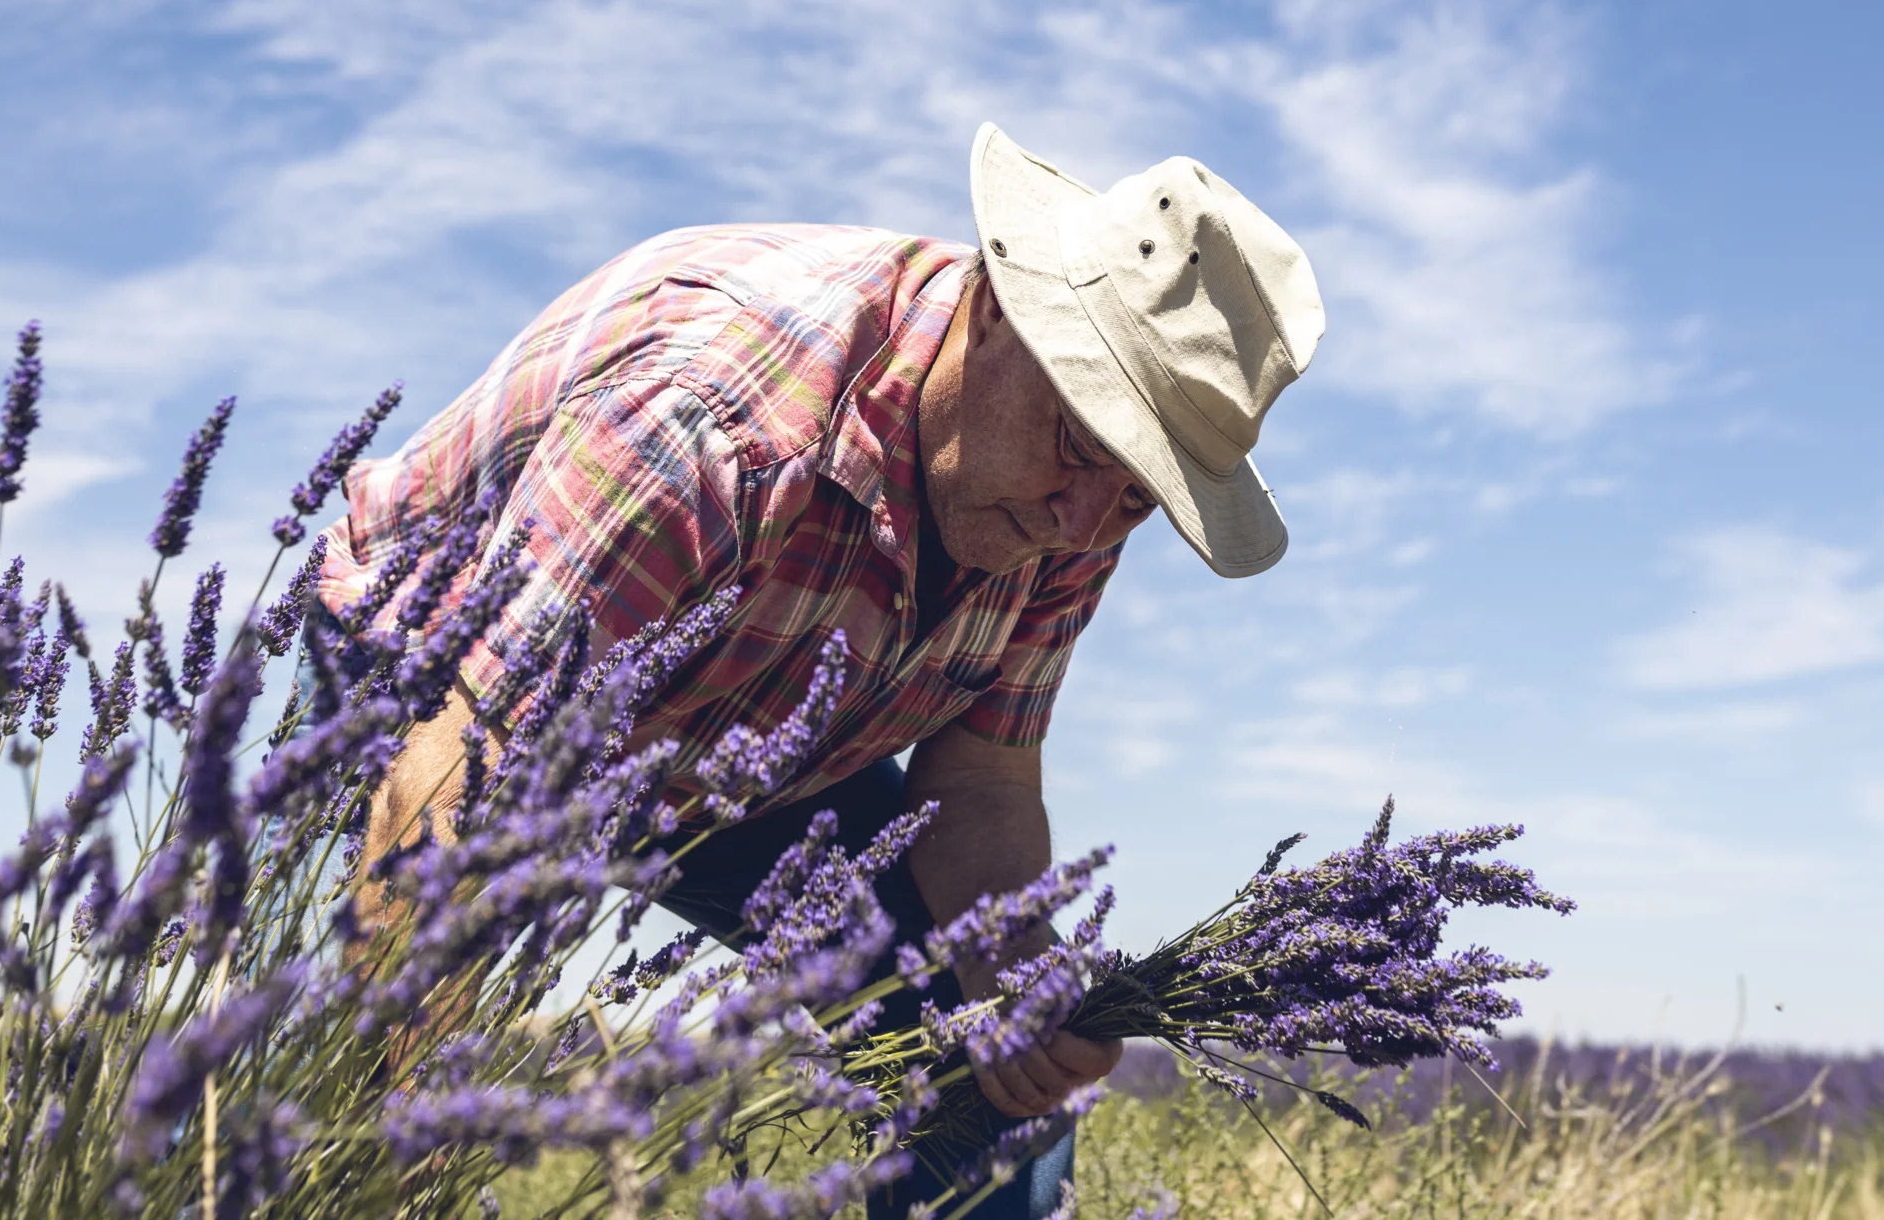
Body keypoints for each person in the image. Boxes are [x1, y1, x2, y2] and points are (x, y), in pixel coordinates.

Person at [321, 122, 1326, 1219]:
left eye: (1138, 490)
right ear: (996, 311)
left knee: (981, 1073)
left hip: (740, 752)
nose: (1082, 520)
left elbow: (981, 780)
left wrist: (1012, 975)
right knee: (320, 1088)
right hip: (439, 690)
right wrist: (404, 1139)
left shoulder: (1068, 508)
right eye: (1084, 444)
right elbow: (474, 765)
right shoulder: (716, 420)